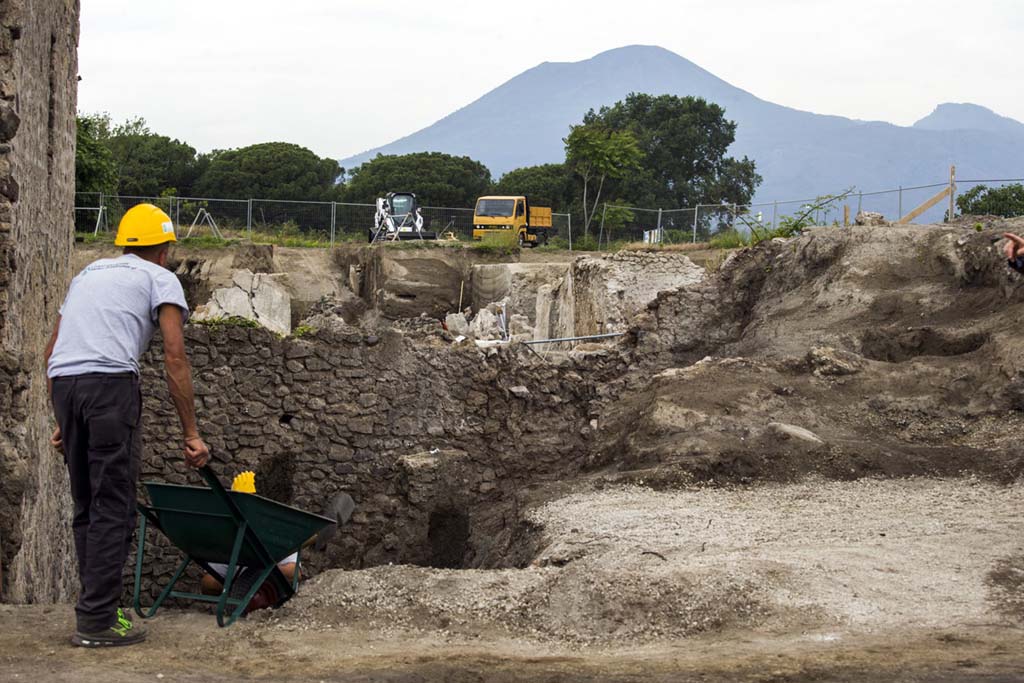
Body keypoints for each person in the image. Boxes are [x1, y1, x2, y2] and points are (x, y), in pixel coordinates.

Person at [46, 203, 210, 648]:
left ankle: (95, 609)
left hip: (65, 383)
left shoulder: (89, 273)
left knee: (86, 502)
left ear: (124, 243)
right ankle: (98, 620)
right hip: (110, 388)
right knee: (113, 504)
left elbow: (55, 348)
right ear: (164, 249)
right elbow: (174, 357)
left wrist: (61, 418)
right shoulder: (160, 278)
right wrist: (191, 433)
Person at [199, 471, 297, 610]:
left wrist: (256, 576)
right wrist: (239, 584)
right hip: (237, 586)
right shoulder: (230, 532)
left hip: (271, 590)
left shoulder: (277, 530)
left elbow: (294, 572)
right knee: (209, 584)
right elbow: (208, 584)